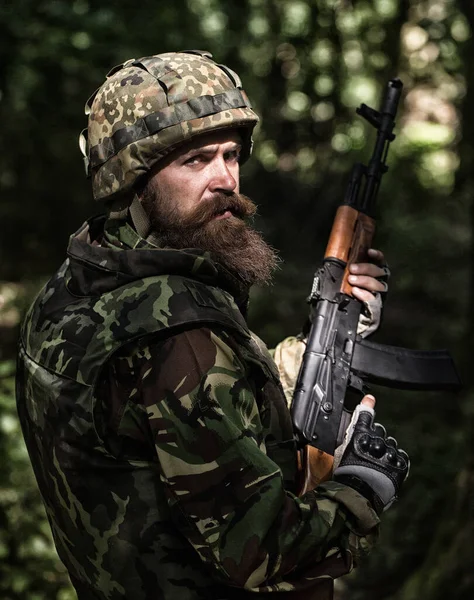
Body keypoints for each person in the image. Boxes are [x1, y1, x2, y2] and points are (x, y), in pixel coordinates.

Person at [16, 50, 408, 600]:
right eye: (196, 160)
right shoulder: (180, 335)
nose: (226, 178)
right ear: (133, 179)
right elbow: (263, 551)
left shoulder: (79, 280)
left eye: (231, 154)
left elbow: (187, 413)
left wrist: (330, 340)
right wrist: (364, 486)